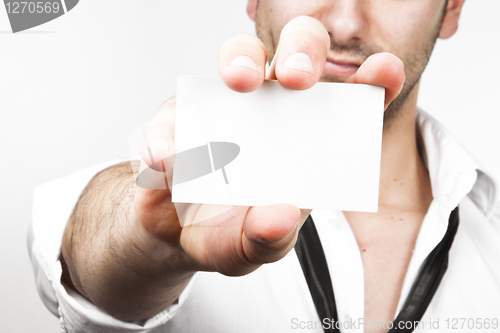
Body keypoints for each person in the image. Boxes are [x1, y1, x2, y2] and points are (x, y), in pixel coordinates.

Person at [29, 0, 500, 332]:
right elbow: (86, 252)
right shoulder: (187, 183)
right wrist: (147, 239)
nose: (345, 20)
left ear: (453, 8)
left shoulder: (491, 235)